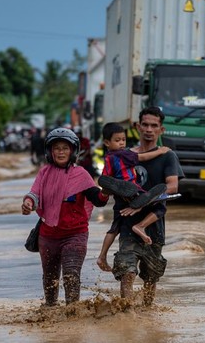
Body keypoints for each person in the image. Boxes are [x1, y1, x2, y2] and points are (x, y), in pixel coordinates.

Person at [97, 106, 184, 306]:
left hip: (154, 225)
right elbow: (108, 184)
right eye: (145, 124)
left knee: (151, 278)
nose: (149, 129)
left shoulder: (167, 156)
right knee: (126, 272)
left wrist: (142, 203)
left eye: (154, 126)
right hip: (127, 224)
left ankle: (147, 314)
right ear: (137, 127)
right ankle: (127, 316)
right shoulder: (123, 154)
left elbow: (172, 186)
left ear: (161, 130)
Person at [21, 127, 109, 307]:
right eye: (56, 148)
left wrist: (107, 191)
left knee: (71, 274)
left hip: (75, 235)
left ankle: (72, 312)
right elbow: (34, 194)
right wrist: (28, 203)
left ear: (73, 151)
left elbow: (98, 200)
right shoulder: (44, 173)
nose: (60, 152)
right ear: (50, 151)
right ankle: (50, 310)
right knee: (50, 279)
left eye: (65, 148)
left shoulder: (81, 174)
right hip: (48, 236)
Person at [97, 121, 172, 246]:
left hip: (120, 198)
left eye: (123, 140)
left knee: (114, 228)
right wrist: (160, 151)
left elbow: (106, 178)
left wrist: (107, 190)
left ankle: (102, 257)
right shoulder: (125, 153)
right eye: (117, 140)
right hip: (133, 188)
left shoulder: (108, 158)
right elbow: (141, 158)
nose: (121, 143)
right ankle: (140, 226)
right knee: (160, 206)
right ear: (106, 142)